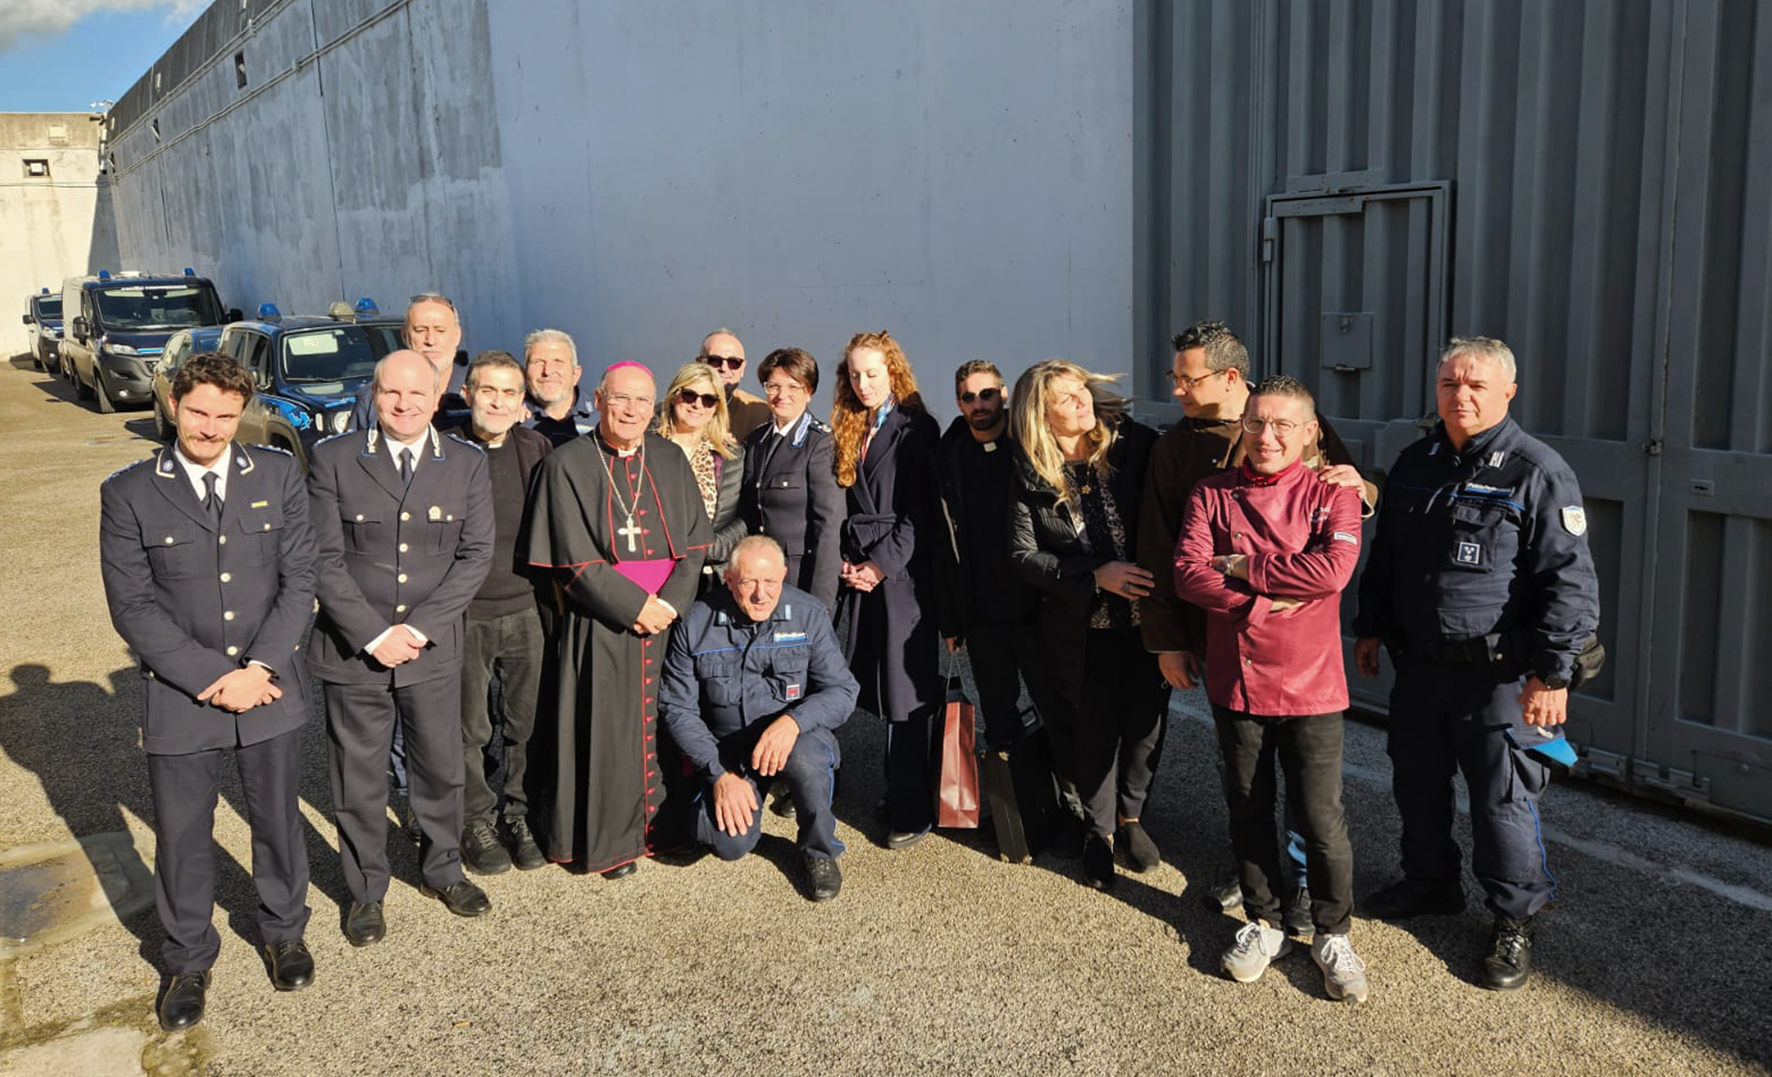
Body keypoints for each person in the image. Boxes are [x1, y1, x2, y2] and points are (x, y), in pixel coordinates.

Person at [1354, 336, 1600, 992]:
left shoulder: (1536, 470)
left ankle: (1514, 915)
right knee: (1417, 781)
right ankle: (1431, 882)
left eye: (1474, 385)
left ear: (1507, 392)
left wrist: (1555, 673)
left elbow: (1569, 581)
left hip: (1500, 676)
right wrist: (1369, 626)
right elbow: (1387, 558)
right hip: (1422, 667)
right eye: (1447, 383)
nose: (1459, 395)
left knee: (1502, 799)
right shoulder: (1417, 460)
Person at [99, 353, 318, 1031]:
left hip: (269, 682)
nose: (211, 426)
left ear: (241, 412)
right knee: (183, 833)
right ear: (172, 403)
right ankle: (188, 957)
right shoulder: (130, 491)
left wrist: (261, 667)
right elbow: (131, 605)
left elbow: (300, 577)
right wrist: (209, 676)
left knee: (278, 818)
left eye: (226, 414)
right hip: (180, 693)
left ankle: (284, 930)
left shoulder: (278, 474)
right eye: (199, 411)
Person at [1138, 320, 1373, 928]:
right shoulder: (1177, 449)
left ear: (1230, 377)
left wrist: (1365, 489)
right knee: (1245, 784)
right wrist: (1166, 641)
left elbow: (1347, 498)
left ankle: (1299, 885)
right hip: (1219, 632)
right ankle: (1257, 882)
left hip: (1303, 653)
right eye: (1176, 378)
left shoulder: (1295, 421)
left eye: (1187, 378)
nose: (1178, 390)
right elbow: (1165, 553)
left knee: (1311, 797)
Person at [1174, 375, 1368, 1003]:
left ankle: (1333, 931)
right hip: (1238, 680)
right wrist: (1261, 605)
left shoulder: (1331, 492)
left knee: (1321, 817)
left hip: (1313, 685)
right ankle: (1265, 920)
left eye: (1285, 424)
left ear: (1311, 432)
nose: (1268, 436)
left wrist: (1239, 566)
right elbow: (1185, 573)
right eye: (1257, 423)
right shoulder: (1211, 492)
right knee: (1248, 808)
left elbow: (1332, 571)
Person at [309, 349, 495, 944]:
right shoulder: (334, 459)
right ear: (374, 393)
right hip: (354, 651)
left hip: (431, 650)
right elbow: (322, 558)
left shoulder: (464, 463)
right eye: (392, 393)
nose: (404, 404)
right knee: (357, 776)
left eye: (418, 394)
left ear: (437, 399)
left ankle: (443, 868)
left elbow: (475, 557)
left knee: (440, 768)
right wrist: (372, 633)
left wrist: (416, 631)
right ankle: (366, 890)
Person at [524, 361, 712, 877]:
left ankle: (667, 828)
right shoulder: (567, 466)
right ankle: (610, 843)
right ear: (600, 399)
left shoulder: (670, 459)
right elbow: (572, 560)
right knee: (605, 730)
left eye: (642, 402)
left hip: (668, 620)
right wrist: (634, 607)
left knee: (668, 727)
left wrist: (669, 604)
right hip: (603, 623)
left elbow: (694, 546)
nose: (631, 411)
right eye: (621, 399)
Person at [1008, 359, 1165, 890]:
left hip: (1148, 620)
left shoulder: (1132, 444)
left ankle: (1132, 817)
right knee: (1094, 731)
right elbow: (1023, 555)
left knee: (1146, 725)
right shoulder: (1031, 470)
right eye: (1066, 398)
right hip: (1083, 626)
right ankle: (1100, 833)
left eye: (1082, 390)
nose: (1082, 401)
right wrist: (1095, 575)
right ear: (1041, 414)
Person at [657, 536, 859, 901]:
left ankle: (819, 849)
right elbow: (677, 707)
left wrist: (794, 722)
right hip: (730, 750)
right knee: (725, 844)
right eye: (749, 582)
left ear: (783, 576)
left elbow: (843, 690)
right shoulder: (697, 622)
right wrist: (718, 774)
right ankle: (749, 810)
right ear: (729, 579)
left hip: (795, 741)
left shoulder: (808, 613)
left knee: (806, 760)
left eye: (770, 582)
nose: (760, 594)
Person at [932, 360, 1070, 854]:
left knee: (1057, 709)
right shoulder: (948, 455)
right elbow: (941, 544)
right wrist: (951, 619)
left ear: (1005, 394)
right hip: (982, 615)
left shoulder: (1028, 445)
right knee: (999, 714)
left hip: (1035, 609)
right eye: (968, 398)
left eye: (987, 395)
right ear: (958, 403)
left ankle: (1073, 809)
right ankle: (1017, 809)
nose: (979, 406)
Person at [439, 351, 553, 875]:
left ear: (522, 402)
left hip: (524, 607)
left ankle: (517, 812)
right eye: (489, 391)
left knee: (521, 723)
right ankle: (474, 818)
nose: (499, 402)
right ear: (468, 394)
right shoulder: (444, 450)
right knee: (469, 727)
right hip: (466, 612)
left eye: (510, 393)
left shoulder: (536, 448)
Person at [830, 331, 944, 848]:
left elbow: (921, 515)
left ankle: (913, 808)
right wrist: (849, 561)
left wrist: (877, 566)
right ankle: (899, 787)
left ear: (893, 372)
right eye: (855, 374)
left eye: (873, 372)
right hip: (863, 571)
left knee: (905, 691)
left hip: (902, 578)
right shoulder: (853, 425)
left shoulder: (917, 428)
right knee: (878, 686)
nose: (863, 382)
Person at [739, 347, 843, 613]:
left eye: (793, 386)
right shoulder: (756, 440)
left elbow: (829, 528)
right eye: (773, 386)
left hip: (800, 581)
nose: (782, 395)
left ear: (809, 391)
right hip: (758, 583)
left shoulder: (820, 444)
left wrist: (821, 604)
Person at [655, 361, 748, 591]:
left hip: (708, 580)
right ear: (674, 396)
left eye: (709, 399)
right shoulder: (648, 448)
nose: (698, 405)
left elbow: (744, 518)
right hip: (656, 572)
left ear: (717, 406)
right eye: (689, 395)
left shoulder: (730, 456)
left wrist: (707, 548)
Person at [349, 293, 469, 431]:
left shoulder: (481, 392)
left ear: (457, 335)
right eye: (420, 330)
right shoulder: (372, 397)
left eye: (440, 330)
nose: (430, 340)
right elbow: (353, 449)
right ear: (404, 335)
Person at [525, 328, 597, 446]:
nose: (547, 371)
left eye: (558, 362)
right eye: (538, 362)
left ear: (575, 374)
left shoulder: (603, 415)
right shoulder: (511, 417)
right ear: (525, 372)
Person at [698, 327, 771, 440]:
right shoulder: (677, 406)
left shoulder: (759, 413)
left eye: (734, 362)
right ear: (699, 364)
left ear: (742, 368)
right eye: (715, 360)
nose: (724, 368)